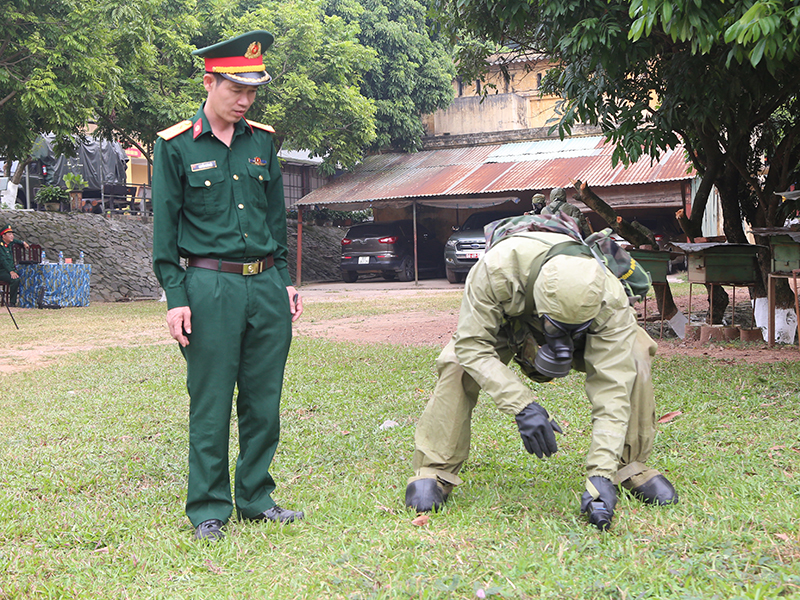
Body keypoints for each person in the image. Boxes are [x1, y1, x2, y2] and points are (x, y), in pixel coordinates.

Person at [404, 225, 678, 530]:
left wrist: (599, 474)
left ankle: (629, 465)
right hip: (512, 323)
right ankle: (434, 469)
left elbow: (613, 388)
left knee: (637, 352)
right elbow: (472, 345)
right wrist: (523, 406)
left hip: (584, 327)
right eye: (556, 327)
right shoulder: (496, 270)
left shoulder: (608, 298)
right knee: (456, 360)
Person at [152, 30, 304, 542]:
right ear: (210, 81)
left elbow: (277, 221)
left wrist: (283, 282)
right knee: (211, 401)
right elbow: (164, 237)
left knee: (264, 400)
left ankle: (256, 498)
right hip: (208, 286)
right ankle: (209, 508)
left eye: (253, 91)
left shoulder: (263, 141)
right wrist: (176, 299)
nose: (245, 100)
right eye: (236, 89)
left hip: (264, 285)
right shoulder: (174, 147)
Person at [0, 224, 30, 307]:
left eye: (12, 234)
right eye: (9, 234)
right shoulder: (1, 246)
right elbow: (3, 261)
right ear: (3, 236)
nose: (12, 236)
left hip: (9, 269)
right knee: (15, 279)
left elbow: (15, 241)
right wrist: (11, 271)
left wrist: (23, 242)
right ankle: (12, 302)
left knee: (26, 276)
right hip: (2, 271)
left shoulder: (8, 243)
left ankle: (26, 300)